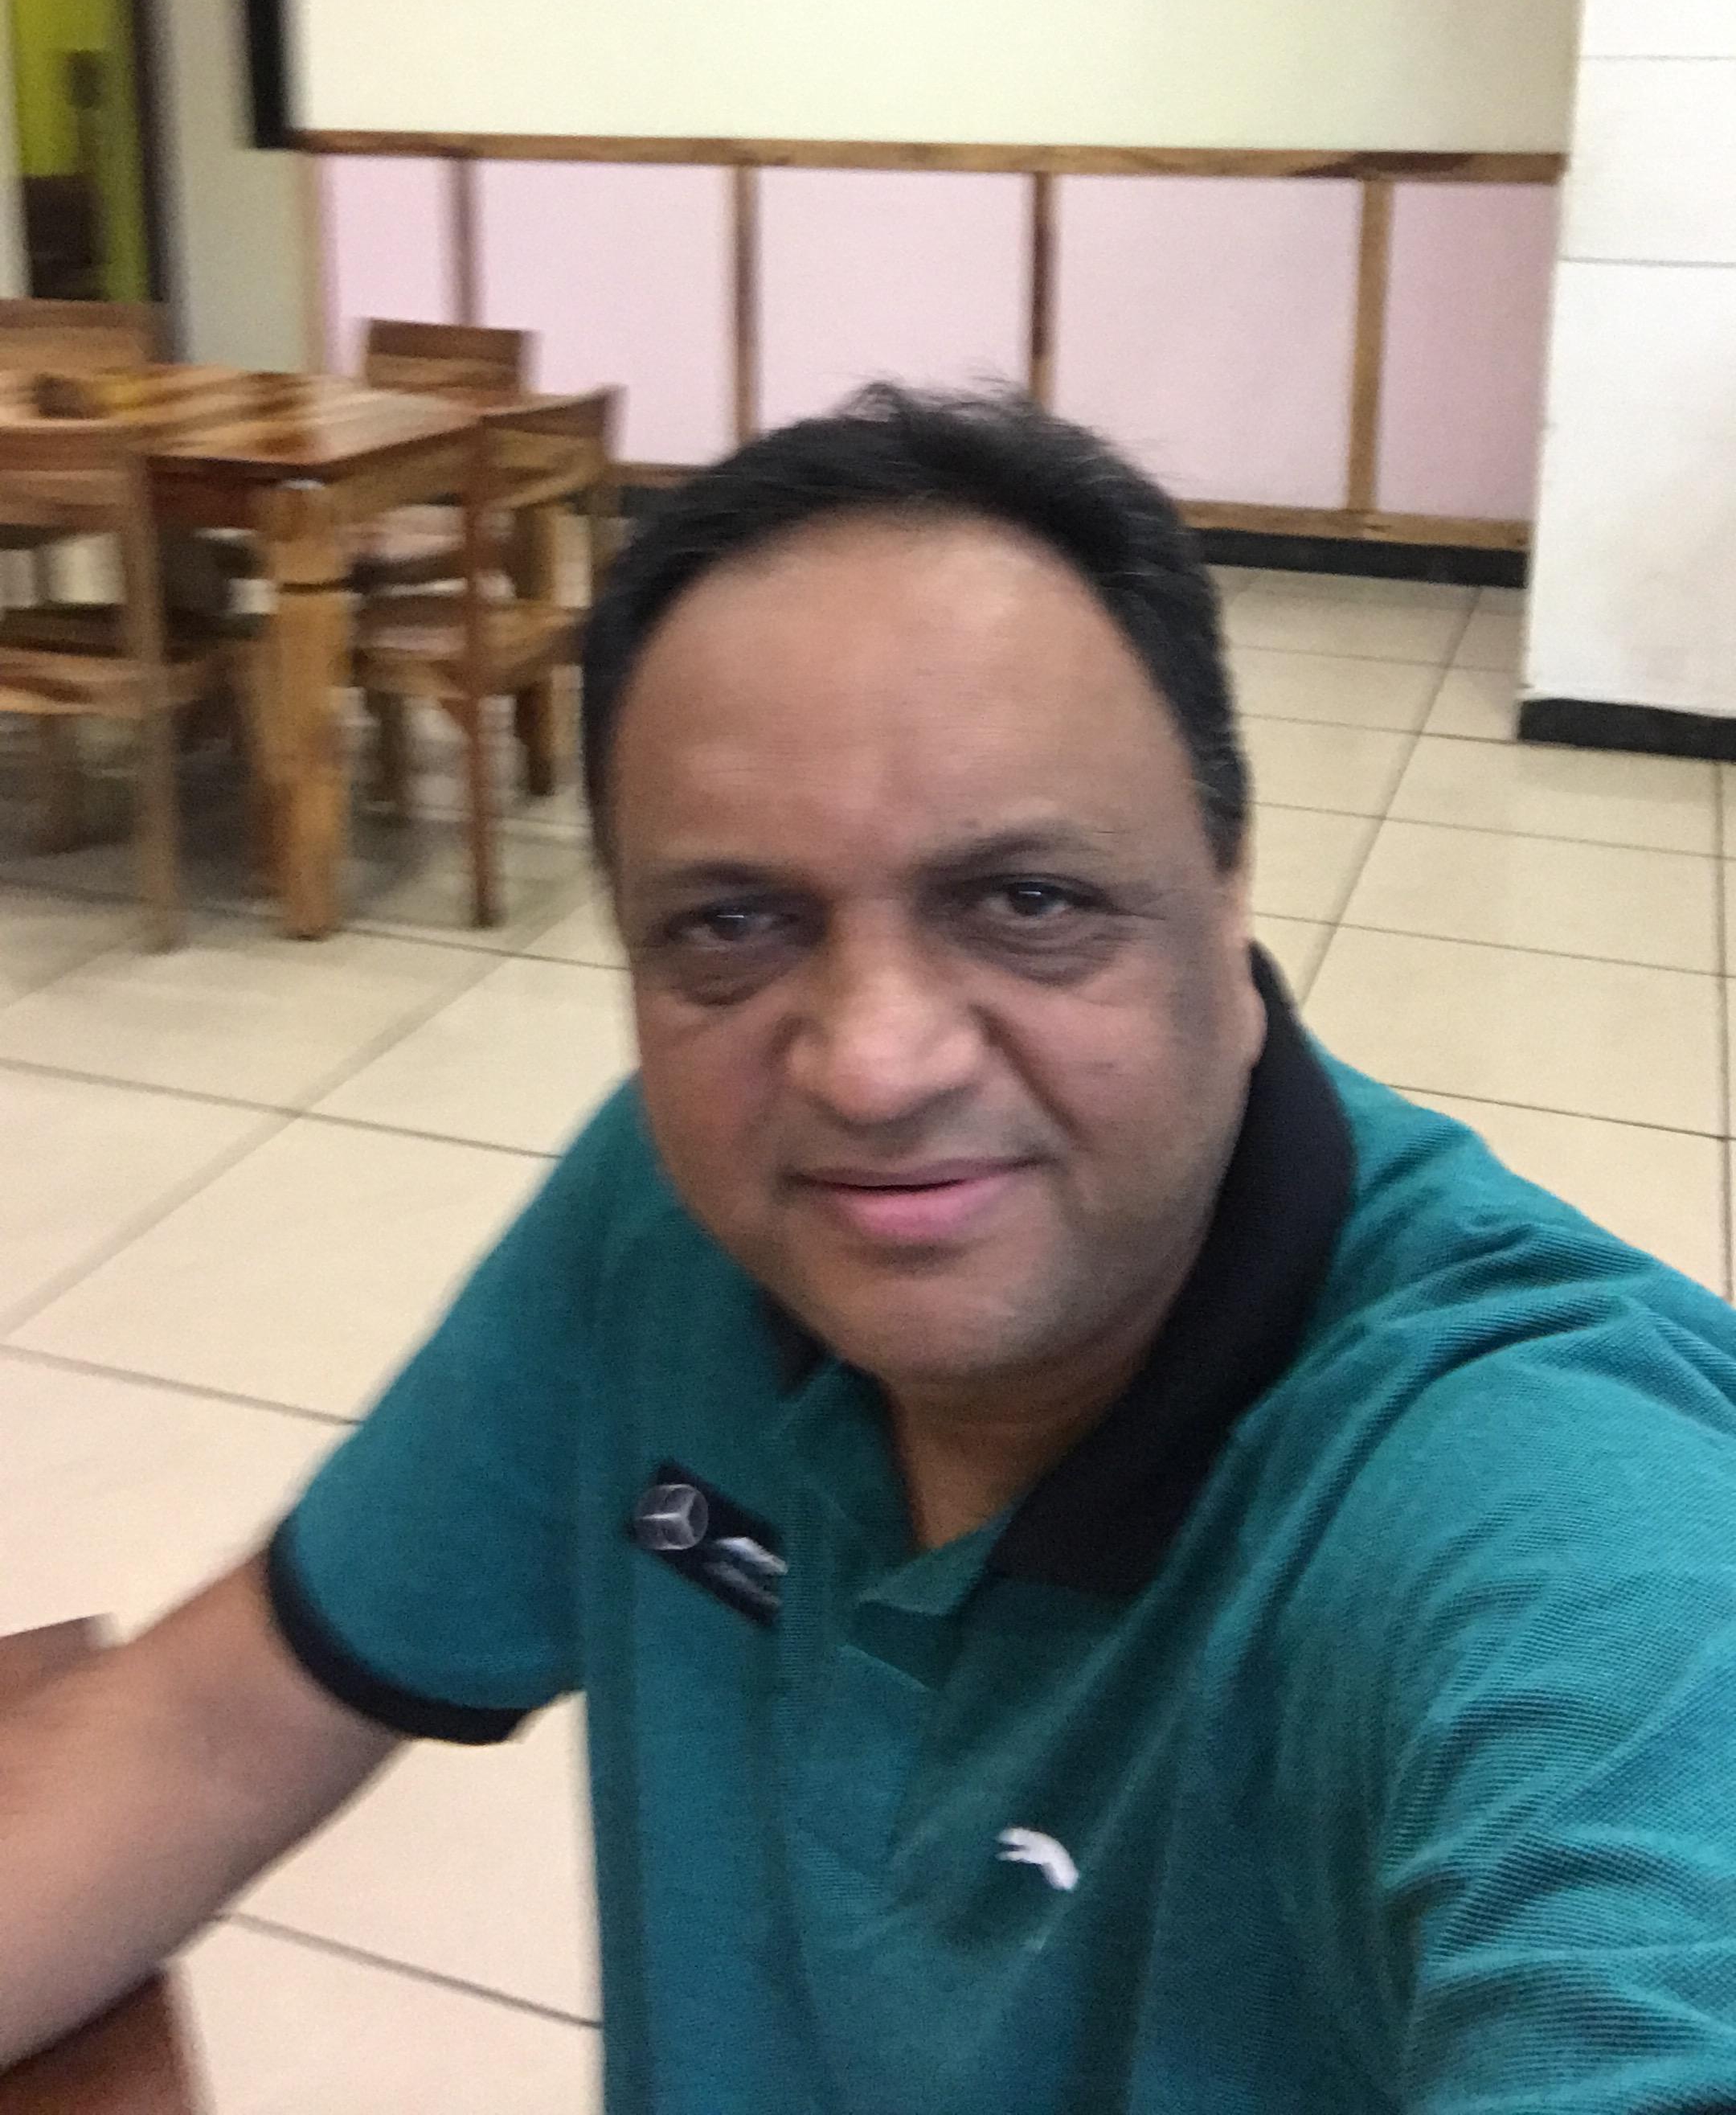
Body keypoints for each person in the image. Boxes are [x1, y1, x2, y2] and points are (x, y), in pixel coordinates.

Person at [4, 387, 1736, 2113]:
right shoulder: (680, 1218)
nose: (872, 1067)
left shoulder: (1548, 1514)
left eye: (1029, 902)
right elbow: (216, 1722)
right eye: (733, 925)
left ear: (1229, 892)